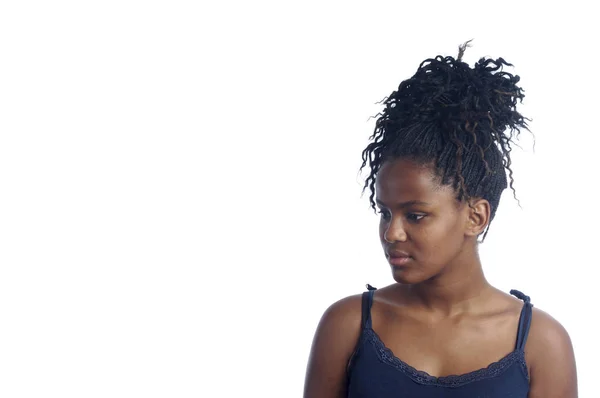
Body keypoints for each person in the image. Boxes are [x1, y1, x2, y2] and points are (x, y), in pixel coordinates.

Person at [303, 41, 578, 398]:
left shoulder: (541, 344)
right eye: (385, 212)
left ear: (476, 217)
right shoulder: (347, 325)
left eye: (415, 215)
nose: (391, 232)